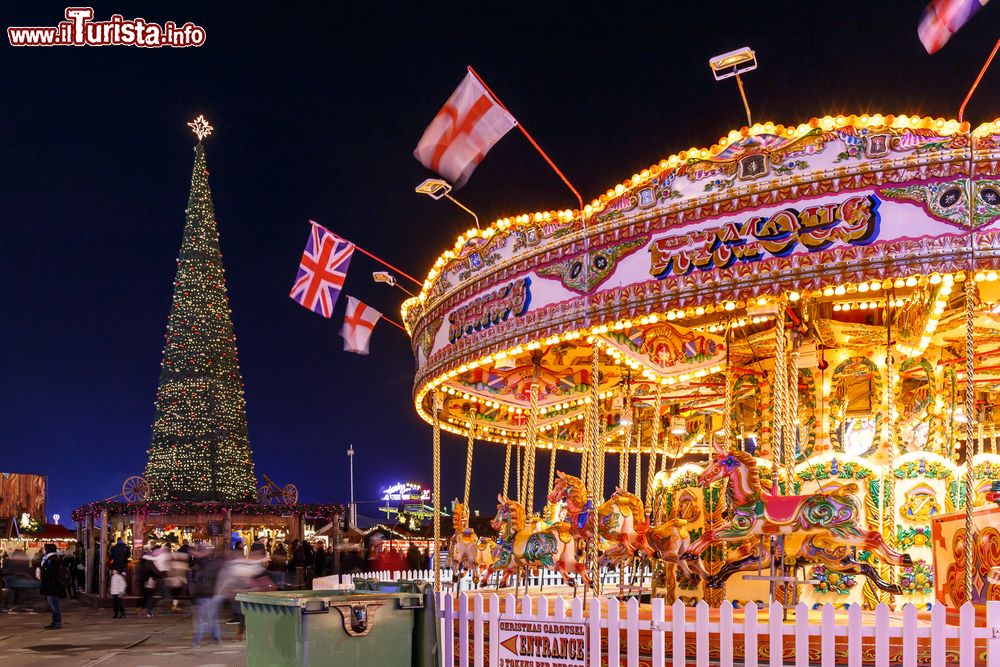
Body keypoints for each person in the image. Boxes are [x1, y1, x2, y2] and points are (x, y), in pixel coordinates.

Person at [189, 544, 222, 647]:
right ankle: (216, 637)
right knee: (212, 617)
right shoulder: (216, 564)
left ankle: (197, 641)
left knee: (202, 620)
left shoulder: (207, 565)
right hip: (212, 594)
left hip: (204, 594)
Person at [38, 544, 64, 629]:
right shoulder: (49, 558)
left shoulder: (52, 559)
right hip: (50, 584)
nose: (43, 550)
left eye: (44, 548)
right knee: (52, 603)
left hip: (52, 584)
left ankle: (57, 622)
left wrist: (43, 575)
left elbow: (52, 573)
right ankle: (54, 621)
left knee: (54, 603)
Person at [138, 545, 161, 617]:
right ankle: (147, 611)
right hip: (149, 581)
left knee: (146, 596)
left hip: (143, 581)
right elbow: (154, 571)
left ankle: (144, 611)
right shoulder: (149, 563)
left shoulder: (142, 562)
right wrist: (160, 575)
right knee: (149, 597)